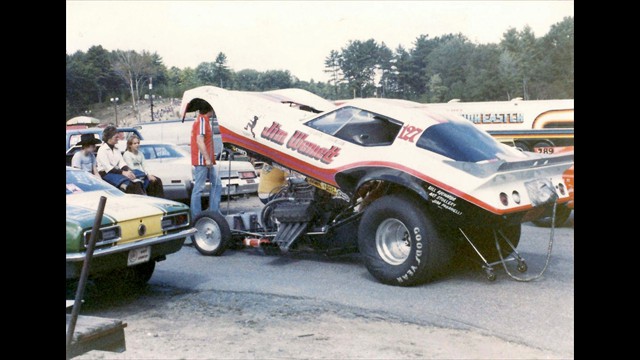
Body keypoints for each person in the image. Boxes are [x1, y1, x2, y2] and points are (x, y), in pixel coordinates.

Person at [190, 103, 223, 218]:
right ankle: (196, 215)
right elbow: (200, 140)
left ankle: (214, 212)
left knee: (217, 184)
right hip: (202, 160)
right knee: (199, 188)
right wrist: (207, 159)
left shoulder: (201, 120)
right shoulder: (202, 121)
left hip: (204, 160)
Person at [96, 125, 145, 194]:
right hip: (106, 174)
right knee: (129, 185)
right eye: (116, 137)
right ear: (109, 138)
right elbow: (108, 168)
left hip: (117, 172)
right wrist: (123, 172)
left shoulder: (116, 149)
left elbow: (121, 162)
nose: (118, 138)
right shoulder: (102, 150)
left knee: (139, 181)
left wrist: (128, 170)